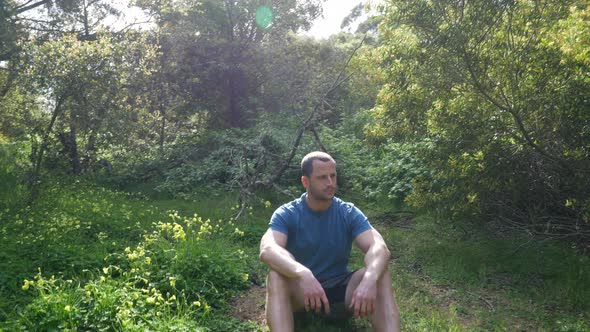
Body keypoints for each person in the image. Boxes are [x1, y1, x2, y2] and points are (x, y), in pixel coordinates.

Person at [259, 151, 401, 332]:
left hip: (342, 290)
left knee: (380, 273)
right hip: (303, 292)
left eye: (333, 176)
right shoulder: (287, 213)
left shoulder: (347, 212)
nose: (330, 183)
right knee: (276, 277)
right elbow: (268, 249)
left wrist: (370, 279)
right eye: (322, 177)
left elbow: (379, 247)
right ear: (305, 181)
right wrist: (303, 273)